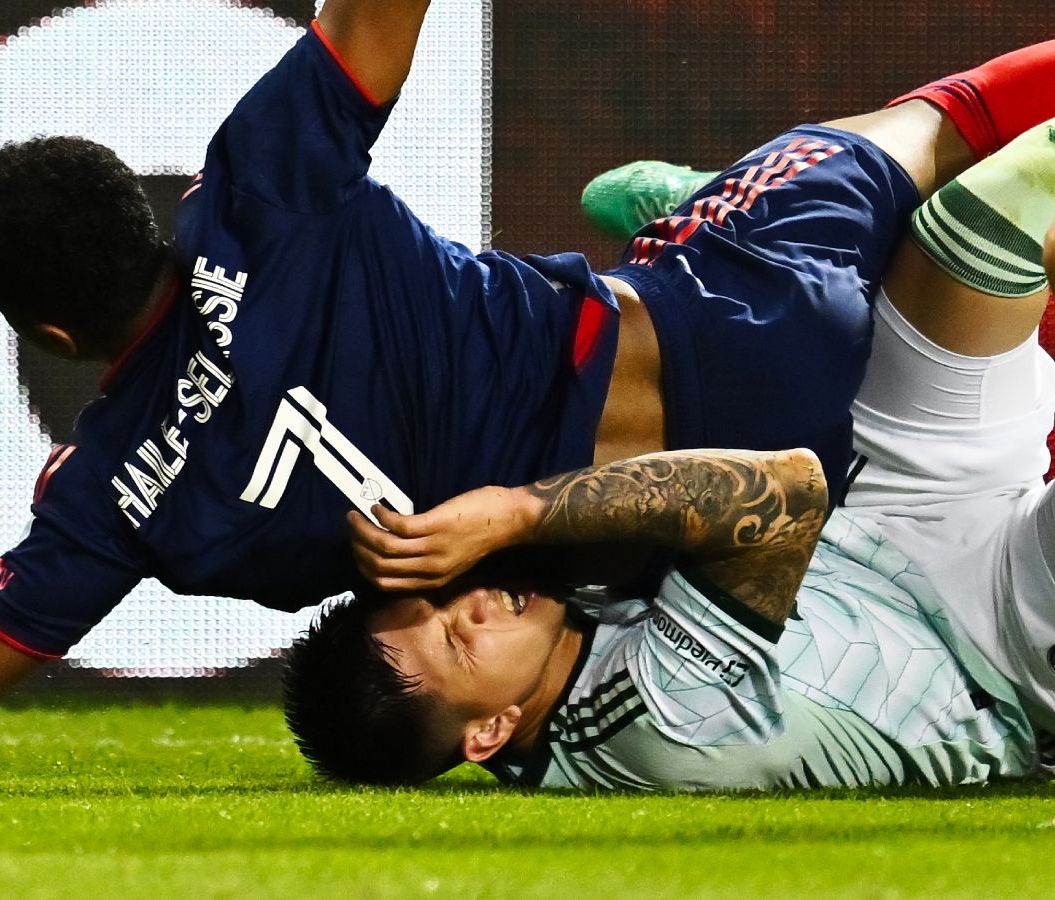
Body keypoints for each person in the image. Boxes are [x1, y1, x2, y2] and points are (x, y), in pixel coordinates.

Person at [0, 1, 1055, 783]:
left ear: (43, 331)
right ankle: (717, 196)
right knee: (928, 129)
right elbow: (384, 17)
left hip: (734, 505)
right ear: (151, 210)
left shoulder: (124, 501)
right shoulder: (263, 190)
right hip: (734, 319)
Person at [282, 136, 1055, 788]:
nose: (475, 602)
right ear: (491, 732)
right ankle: (728, 227)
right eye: (458, 641)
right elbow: (784, 492)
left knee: (983, 227)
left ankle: (729, 227)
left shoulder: (552, 643)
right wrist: (520, 510)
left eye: (442, 600)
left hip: (889, 512)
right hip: (999, 658)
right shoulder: (658, 719)